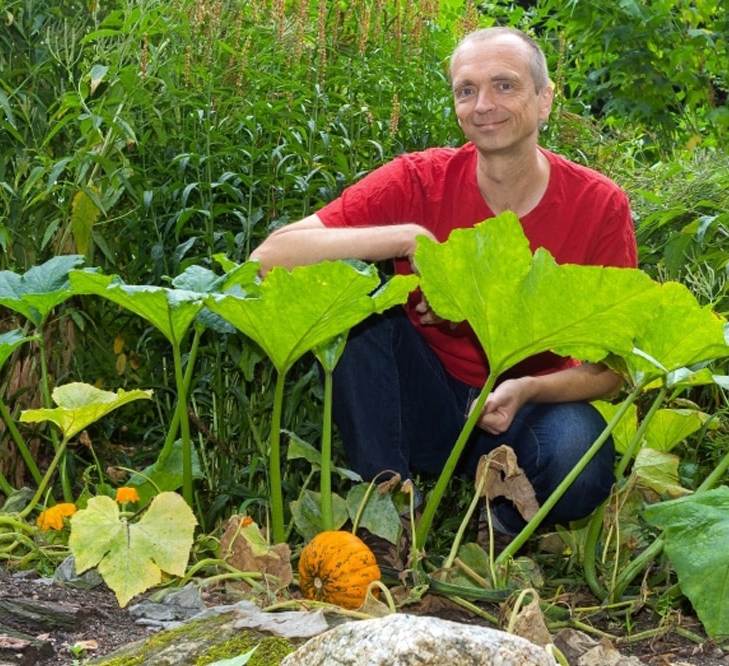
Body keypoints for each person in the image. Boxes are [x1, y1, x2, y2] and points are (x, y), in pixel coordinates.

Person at [250, 26, 637, 545]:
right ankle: (386, 515)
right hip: (423, 402)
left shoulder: (598, 205)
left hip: (524, 413)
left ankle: (504, 515)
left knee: (582, 457)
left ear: (545, 101)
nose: (483, 105)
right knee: (360, 307)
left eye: (504, 86)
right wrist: (407, 238)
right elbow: (268, 259)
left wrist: (529, 389)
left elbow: (610, 370)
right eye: (466, 90)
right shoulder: (418, 180)